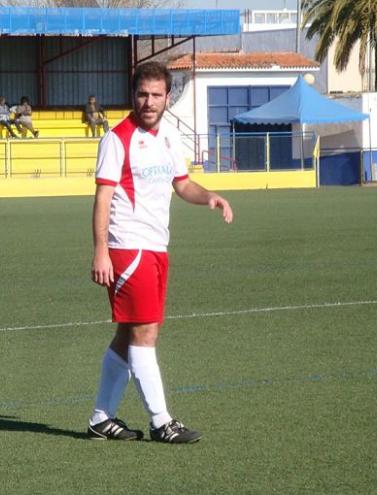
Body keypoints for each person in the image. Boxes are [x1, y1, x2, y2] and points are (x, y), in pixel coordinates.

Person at [87, 61, 234, 444]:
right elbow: (102, 197)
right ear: (132, 95)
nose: (149, 102)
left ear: (168, 97)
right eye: (142, 94)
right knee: (145, 332)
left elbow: (182, 185)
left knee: (128, 333)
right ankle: (161, 421)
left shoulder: (169, 137)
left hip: (156, 247)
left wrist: (210, 198)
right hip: (127, 247)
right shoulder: (116, 139)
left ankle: (101, 419)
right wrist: (101, 250)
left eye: (156, 95)